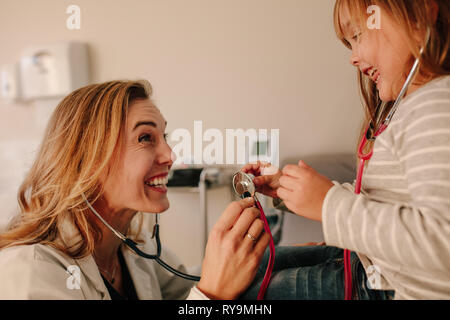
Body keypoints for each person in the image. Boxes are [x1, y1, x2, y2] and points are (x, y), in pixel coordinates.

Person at [241, 0, 450, 300]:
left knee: (247, 293)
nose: (353, 58)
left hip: (389, 287)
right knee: (250, 268)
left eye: (358, 36)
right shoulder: (412, 109)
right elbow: (384, 204)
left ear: (420, 18)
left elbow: (441, 241)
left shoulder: (436, 107)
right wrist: (291, 192)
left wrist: (329, 204)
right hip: (373, 266)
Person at [0, 80, 270, 300]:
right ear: (88, 159)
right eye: (145, 138)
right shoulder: (29, 272)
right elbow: (203, 293)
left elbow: (184, 290)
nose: (170, 155)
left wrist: (271, 258)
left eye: (163, 137)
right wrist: (211, 296)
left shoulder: (135, 248)